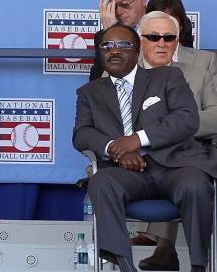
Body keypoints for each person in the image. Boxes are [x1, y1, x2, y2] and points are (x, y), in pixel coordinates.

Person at [73, 23, 217, 272]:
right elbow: (82, 134)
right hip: (125, 173)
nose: (114, 50)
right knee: (101, 182)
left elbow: (186, 119)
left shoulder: (167, 77)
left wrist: (138, 139)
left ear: (137, 51)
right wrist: (115, 148)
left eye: (123, 45)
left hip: (176, 166)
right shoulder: (89, 92)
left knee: (196, 184)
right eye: (107, 45)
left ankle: (198, 266)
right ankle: (125, 266)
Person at [130, 11, 217, 270]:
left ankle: (194, 263)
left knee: (192, 181)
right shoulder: (122, 68)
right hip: (138, 164)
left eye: (168, 37)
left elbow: (215, 115)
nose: (161, 42)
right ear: (140, 40)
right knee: (103, 182)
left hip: (188, 157)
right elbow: (108, 126)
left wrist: (174, 128)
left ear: (177, 40)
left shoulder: (203, 64)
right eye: (153, 36)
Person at [90, 0, 147, 80]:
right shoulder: (102, 37)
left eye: (124, 4)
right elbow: (96, 84)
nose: (119, 12)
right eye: (113, 5)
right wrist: (110, 34)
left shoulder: (164, 28)